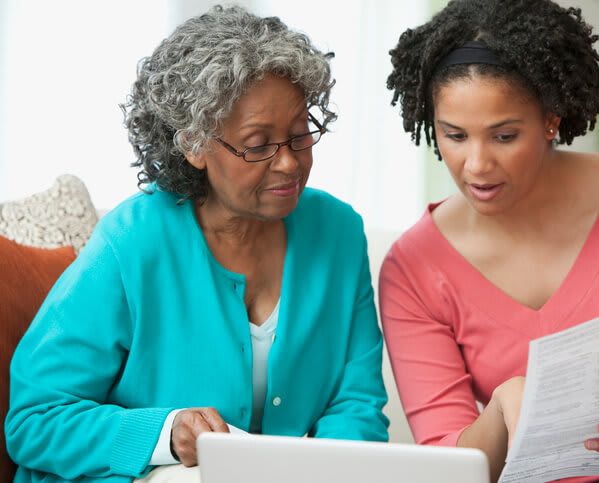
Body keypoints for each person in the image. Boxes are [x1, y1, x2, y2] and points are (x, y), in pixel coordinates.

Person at [5, 5, 389, 483]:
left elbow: (355, 404)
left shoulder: (339, 232)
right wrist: (165, 434)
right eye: (257, 143)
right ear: (193, 144)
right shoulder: (131, 241)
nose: (289, 164)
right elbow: (34, 420)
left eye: (299, 135)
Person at [380, 0, 599, 481]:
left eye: (504, 136)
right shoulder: (413, 268)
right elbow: (448, 460)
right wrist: (501, 407)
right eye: (455, 135)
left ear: (551, 119)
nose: (476, 165)